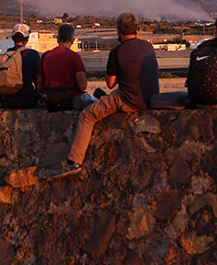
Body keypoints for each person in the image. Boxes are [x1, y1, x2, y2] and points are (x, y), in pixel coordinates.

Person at [41, 12, 158, 179]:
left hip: (128, 100)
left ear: (118, 31)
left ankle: (74, 162)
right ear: (137, 30)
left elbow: (110, 83)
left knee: (87, 116)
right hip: (151, 97)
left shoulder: (117, 51)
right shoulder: (148, 47)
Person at [38, 23, 94, 111]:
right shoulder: (74, 56)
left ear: (57, 39)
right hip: (71, 101)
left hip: (51, 102)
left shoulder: (45, 57)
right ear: (73, 40)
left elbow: (39, 87)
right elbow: (82, 86)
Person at [1, 23, 41, 109]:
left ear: (12, 38)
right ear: (27, 38)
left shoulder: (6, 55)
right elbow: (38, 79)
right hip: (28, 99)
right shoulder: (33, 55)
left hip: (8, 99)